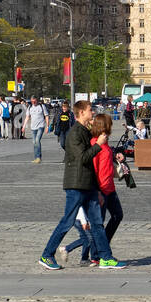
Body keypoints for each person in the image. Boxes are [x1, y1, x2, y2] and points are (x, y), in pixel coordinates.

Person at [38, 100, 126, 270]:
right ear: (81, 113)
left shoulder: (85, 131)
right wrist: (99, 145)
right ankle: (47, 255)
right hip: (76, 185)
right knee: (67, 222)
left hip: (89, 186)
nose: (92, 113)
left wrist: (98, 190)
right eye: (89, 110)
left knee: (97, 222)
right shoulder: (75, 133)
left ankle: (105, 257)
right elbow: (83, 158)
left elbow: (91, 163)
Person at [63, 113, 124, 265]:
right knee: (98, 223)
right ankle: (97, 255)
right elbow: (93, 169)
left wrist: (116, 156)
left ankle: (104, 247)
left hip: (110, 187)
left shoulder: (105, 143)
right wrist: (97, 191)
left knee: (117, 216)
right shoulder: (94, 143)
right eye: (109, 124)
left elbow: (107, 158)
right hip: (101, 189)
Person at [27, 97, 48, 163]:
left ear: (37, 100)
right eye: (32, 101)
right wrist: (24, 126)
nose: (33, 102)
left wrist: (47, 126)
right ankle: (36, 158)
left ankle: (38, 157)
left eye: (34, 100)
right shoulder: (30, 107)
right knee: (34, 142)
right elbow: (27, 117)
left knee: (37, 140)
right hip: (33, 127)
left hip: (41, 126)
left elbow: (46, 116)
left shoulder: (42, 106)